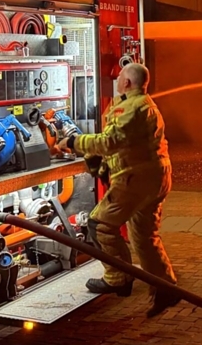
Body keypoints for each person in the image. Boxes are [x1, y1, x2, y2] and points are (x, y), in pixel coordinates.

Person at [56, 63, 181, 317]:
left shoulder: (130, 107)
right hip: (156, 177)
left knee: (100, 225)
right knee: (145, 237)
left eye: (119, 78)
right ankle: (165, 288)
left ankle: (118, 278)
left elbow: (110, 141)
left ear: (126, 83)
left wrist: (72, 142)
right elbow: (124, 143)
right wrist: (98, 162)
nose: (116, 81)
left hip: (136, 179)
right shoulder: (145, 104)